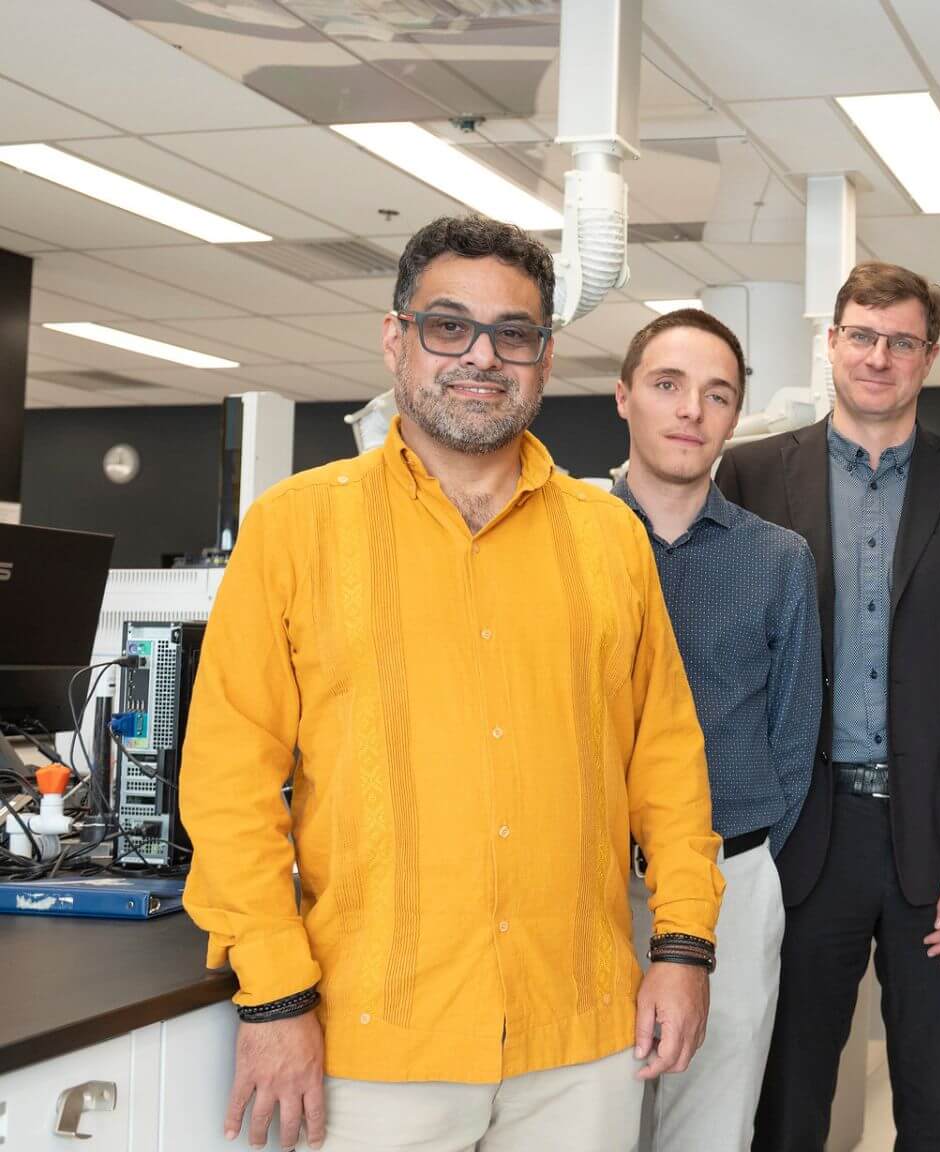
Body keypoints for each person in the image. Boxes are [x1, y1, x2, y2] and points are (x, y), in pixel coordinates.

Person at [182, 215, 723, 1152]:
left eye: (512, 334)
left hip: (581, 1035)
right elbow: (229, 785)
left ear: (544, 359)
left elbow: (667, 764)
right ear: (396, 340)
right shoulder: (296, 530)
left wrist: (681, 948)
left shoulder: (610, 540)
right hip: (375, 1042)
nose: (481, 355)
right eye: (448, 326)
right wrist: (273, 996)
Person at [715, 261, 940, 1152]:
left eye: (901, 341)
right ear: (832, 343)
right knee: (786, 1108)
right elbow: (728, 676)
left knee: (938, 1111)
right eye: (862, 335)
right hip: (799, 840)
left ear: (927, 355)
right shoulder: (748, 476)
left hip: (938, 845)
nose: (879, 357)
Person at [609, 307, 822, 1151]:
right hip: (578, 890)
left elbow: (795, 734)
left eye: (717, 394)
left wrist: (749, 855)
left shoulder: (778, 559)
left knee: (711, 1127)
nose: (691, 409)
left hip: (731, 877)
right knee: (583, 1121)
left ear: (737, 417)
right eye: (668, 385)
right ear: (624, 398)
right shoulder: (565, 541)